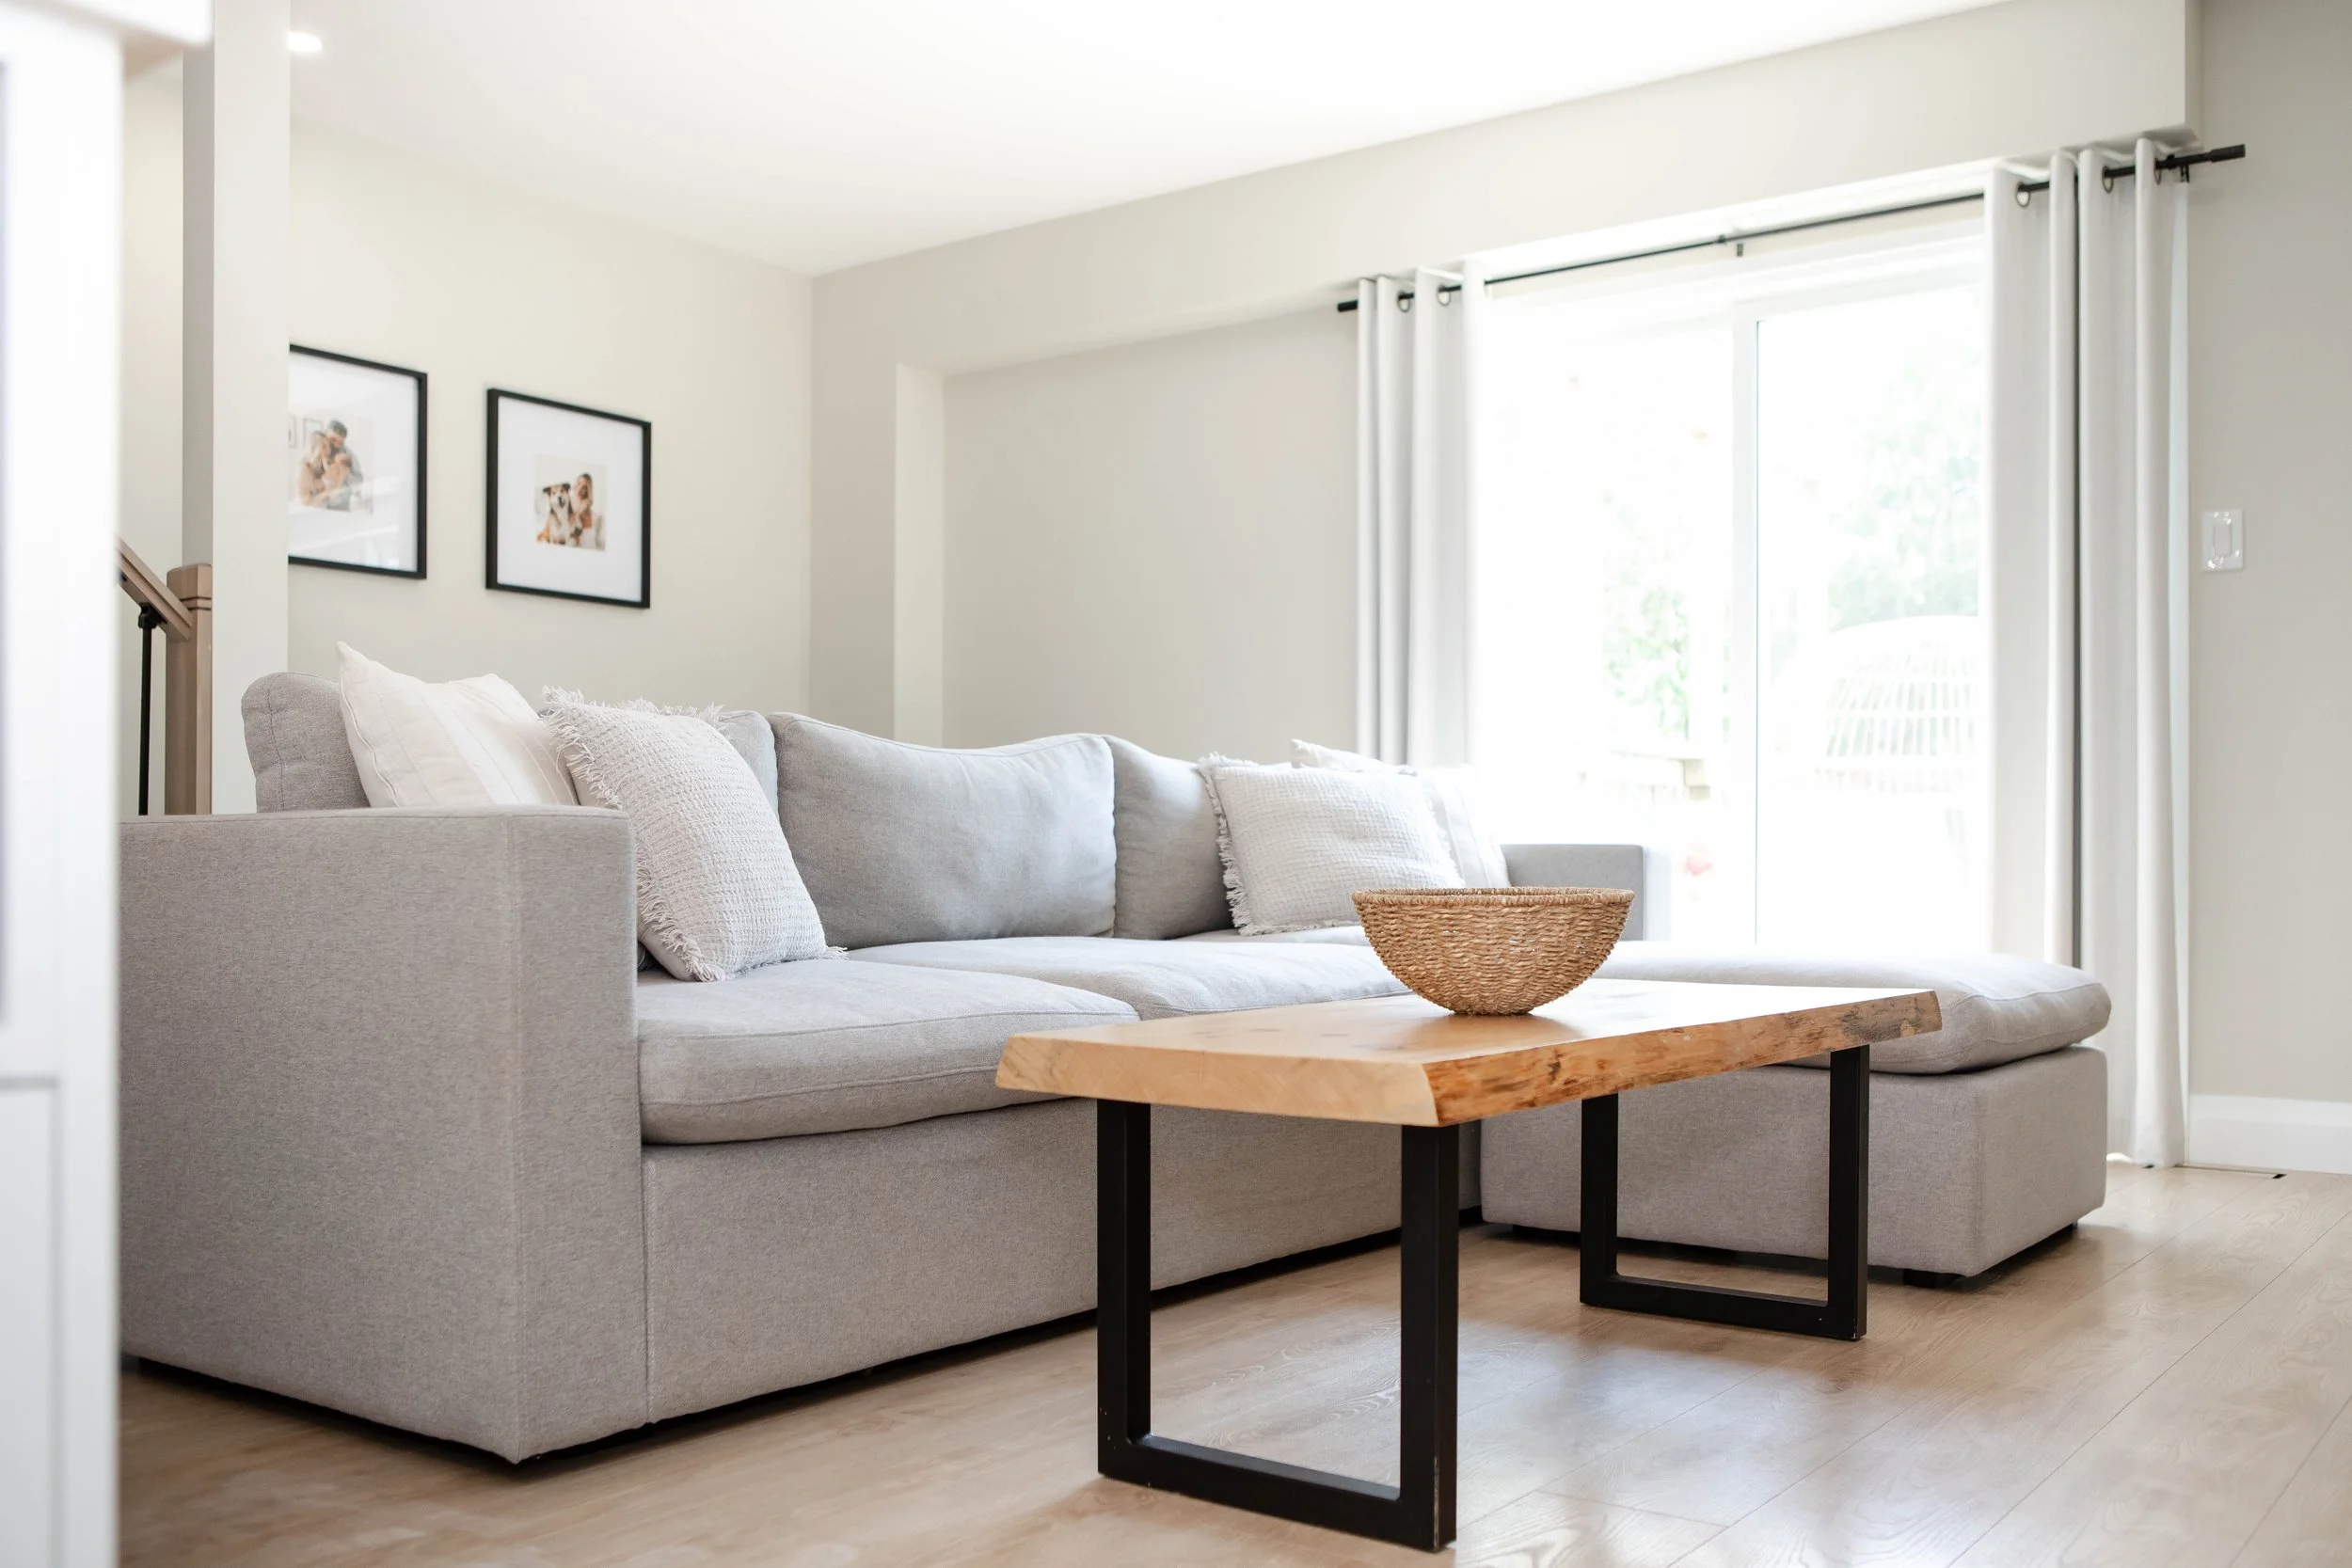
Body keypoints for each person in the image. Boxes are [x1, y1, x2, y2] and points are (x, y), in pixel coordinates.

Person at [569, 472, 602, 550]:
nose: (580, 489)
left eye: (584, 487)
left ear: (587, 491)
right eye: (579, 483)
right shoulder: (569, 499)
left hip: (584, 544)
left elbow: (577, 531)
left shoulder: (585, 505)